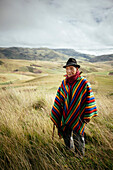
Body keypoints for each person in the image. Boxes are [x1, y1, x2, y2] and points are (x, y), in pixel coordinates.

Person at [50, 58, 98, 157]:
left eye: (71, 68)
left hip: (78, 115)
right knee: (66, 134)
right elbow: (59, 98)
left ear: (76, 69)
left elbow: (90, 99)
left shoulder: (84, 83)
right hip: (65, 114)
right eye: (67, 69)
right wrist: (57, 113)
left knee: (78, 136)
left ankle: (79, 155)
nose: (69, 71)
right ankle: (69, 150)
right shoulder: (64, 83)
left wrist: (87, 116)